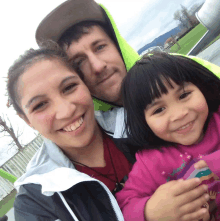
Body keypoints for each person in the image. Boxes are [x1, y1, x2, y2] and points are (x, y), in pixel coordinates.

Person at [35, 0, 220, 139]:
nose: (97, 66)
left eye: (100, 47)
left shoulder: (180, 71)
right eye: (79, 62)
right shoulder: (93, 136)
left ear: (118, 45)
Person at [7, 47, 135, 221]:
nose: (66, 111)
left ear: (85, 84)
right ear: (26, 120)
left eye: (69, 87)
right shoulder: (35, 202)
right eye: (40, 105)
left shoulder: (139, 121)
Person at [116, 52, 220, 221]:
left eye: (184, 95)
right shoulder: (151, 162)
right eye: (159, 110)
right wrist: (150, 212)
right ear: (144, 122)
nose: (179, 114)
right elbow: (122, 207)